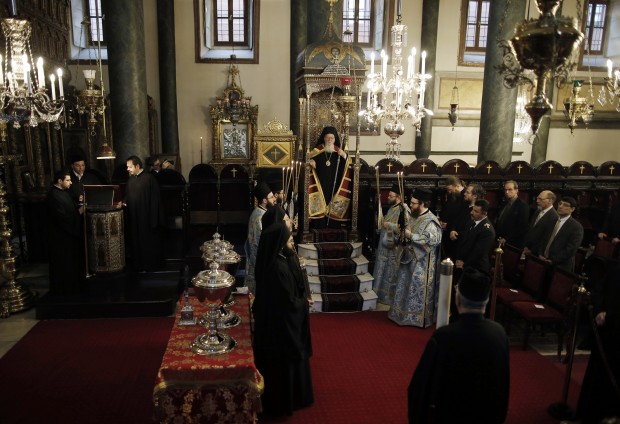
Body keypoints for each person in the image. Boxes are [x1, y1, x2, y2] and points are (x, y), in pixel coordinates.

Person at [408, 268, 510, 424]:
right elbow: (503, 388)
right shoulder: (499, 334)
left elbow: (420, 389)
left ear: (457, 299)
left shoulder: (443, 337)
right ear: (487, 300)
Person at [252, 222, 314, 417]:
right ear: (280, 243)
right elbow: (287, 303)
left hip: (279, 327)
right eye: (289, 240)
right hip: (280, 332)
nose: (292, 243)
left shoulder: (281, 260)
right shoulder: (277, 268)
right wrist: (304, 303)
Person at [389, 188, 442, 327]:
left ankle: (416, 318)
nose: (410, 205)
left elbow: (432, 240)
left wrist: (411, 236)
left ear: (423, 203)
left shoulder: (431, 221)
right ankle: (400, 314)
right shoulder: (414, 216)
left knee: (414, 290)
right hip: (408, 259)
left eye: (413, 203)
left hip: (421, 265)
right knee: (404, 287)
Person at [575, 260, 620, 424]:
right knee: (595, 376)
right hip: (604, 331)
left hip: (616, 332)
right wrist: (600, 310)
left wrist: (610, 317)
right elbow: (600, 288)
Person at [124, 155, 164, 272]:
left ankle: (149, 266)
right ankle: (138, 266)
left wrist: (153, 219)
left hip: (147, 219)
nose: (128, 169)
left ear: (137, 166)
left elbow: (155, 200)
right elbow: (127, 195)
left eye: (129, 167)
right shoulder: (131, 179)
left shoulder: (149, 179)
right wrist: (124, 202)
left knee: (148, 244)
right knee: (136, 243)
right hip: (134, 218)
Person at [307, 126, 352, 228]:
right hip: (320, 183)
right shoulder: (317, 150)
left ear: (335, 139)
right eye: (328, 137)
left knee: (333, 200)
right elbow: (308, 159)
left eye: (332, 138)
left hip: (335, 183)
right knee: (321, 201)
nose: (329, 140)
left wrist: (344, 155)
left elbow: (348, 163)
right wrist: (311, 161)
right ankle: (319, 223)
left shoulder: (338, 151)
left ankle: (333, 223)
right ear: (324, 138)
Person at [373, 183, 410, 305]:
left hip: (393, 249)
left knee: (390, 273)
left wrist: (387, 225)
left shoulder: (404, 209)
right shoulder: (393, 207)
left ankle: (388, 297)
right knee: (382, 270)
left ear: (398, 197)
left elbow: (405, 228)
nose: (388, 197)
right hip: (385, 246)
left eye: (391, 195)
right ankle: (379, 295)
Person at [47, 170, 82, 294]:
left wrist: (78, 209)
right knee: (63, 264)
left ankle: (72, 286)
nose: (71, 182)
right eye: (68, 180)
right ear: (59, 181)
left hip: (68, 235)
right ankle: (63, 289)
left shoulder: (64, 192)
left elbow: (71, 208)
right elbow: (61, 217)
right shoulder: (53, 195)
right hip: (60, 237)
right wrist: (78, 213)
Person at [244, 181, 275, 292]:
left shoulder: (262, 212)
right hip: (257, 260)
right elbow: (258, 241)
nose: (274, 199)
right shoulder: (259, 217)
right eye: (271, 197)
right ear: (264, 200)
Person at [539, 196, 584, 272]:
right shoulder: (552, 221)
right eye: (560, 203)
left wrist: (552, 260)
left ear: (572, 209)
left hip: (560, 267)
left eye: (565, 205)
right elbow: (544, 239)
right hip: (543, 262)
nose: (560, 206)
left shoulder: (576, 227)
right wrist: (540, 253)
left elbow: (570, 250)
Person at [455, 199, 496, 276]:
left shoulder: (487, 231)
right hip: (463, 264)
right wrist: (457, 234)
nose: (471, 213)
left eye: (476, 211)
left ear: (484, 213)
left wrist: (464, 264)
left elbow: (478, 253)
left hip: (476, 270)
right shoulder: (471, 222)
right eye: (472, 210)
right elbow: (467, 237)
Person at [495, 180, 530, 248]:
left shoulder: (522, 205)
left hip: (513, 244)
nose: (507, 192)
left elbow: (522, 227)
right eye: (505, 190)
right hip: (500, 241)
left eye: (510, 189)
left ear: (516, 190)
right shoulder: (504, 203)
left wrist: (506, 238)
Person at [524, 190, 558, 257]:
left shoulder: (554, 217)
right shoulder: (538, 211)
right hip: (528, 249)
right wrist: (526, 246)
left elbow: (546, 238)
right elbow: (531, 229)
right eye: (537, 198)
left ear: (550, 201)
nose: (537, 201)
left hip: (537, 253)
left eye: (540, 199)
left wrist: (532, 251)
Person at [439, 176, 466, 260]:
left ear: (457, 186)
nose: (449, 192)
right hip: (448, 231)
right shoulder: (453, 195)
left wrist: (449, 225)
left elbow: (460, 217)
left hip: (456, 233)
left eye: (450, 189)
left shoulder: (464, 197)